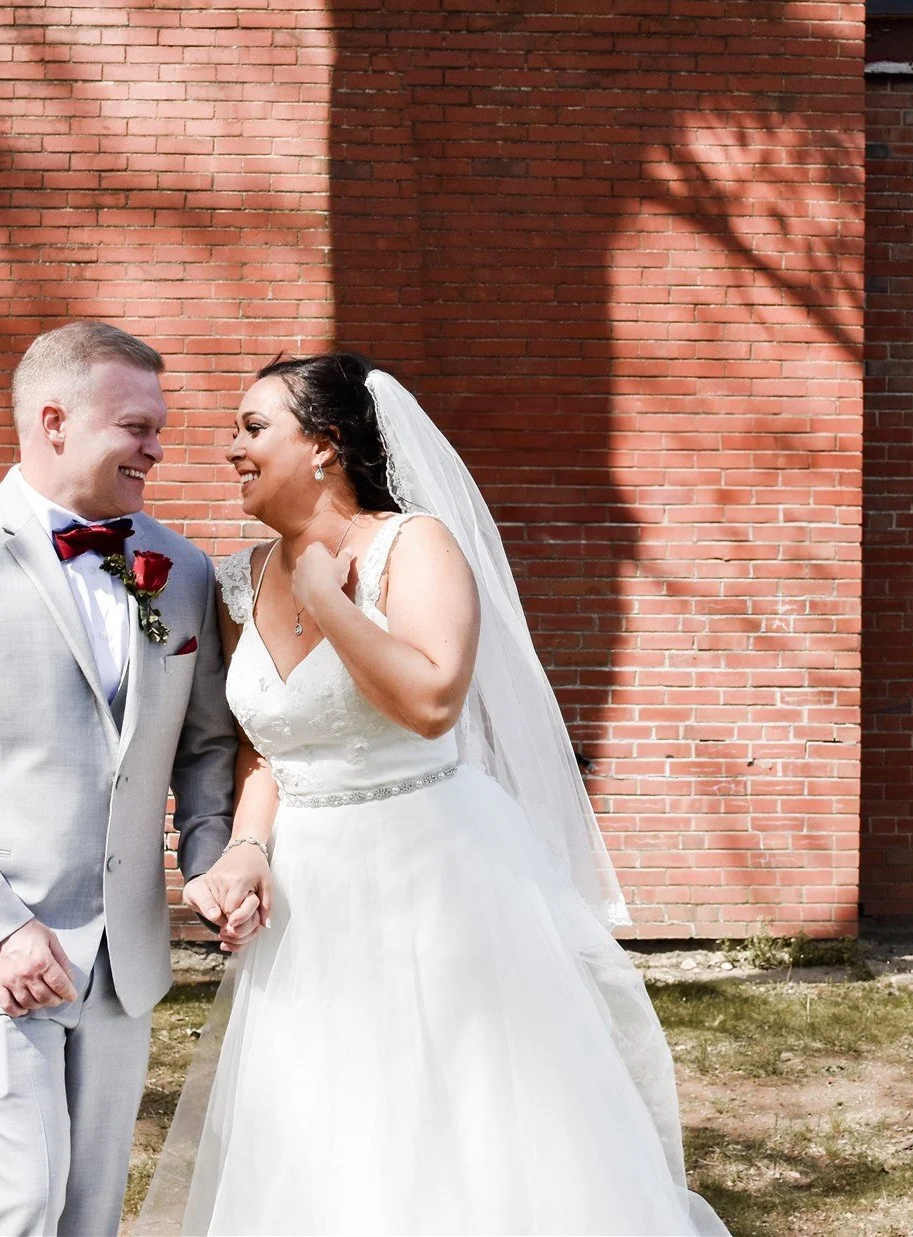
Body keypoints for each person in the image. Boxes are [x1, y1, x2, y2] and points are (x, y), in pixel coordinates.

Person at [136, 353, 725, 1235]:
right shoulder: (239, 578)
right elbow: (267, 748)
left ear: (325, 445)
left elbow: (430, 699)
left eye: (253, 428)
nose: (231, 449)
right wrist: (249, 848)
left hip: (432, 874)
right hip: (308, 897)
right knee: (319, 1121)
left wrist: (330, 605)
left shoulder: (415, 545)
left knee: (455, 1114)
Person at [0, 321, 246, 1236]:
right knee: (12, 1203)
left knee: (88, 1214)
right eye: (136, 426)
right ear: (55, 420)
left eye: (159, 425)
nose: (158, 444)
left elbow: (206, 747)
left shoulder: (177, 571)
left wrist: (214, 861)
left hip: (119, 964)